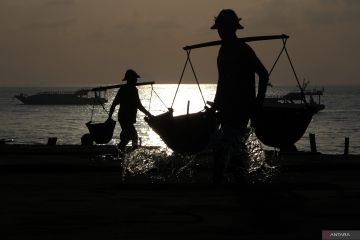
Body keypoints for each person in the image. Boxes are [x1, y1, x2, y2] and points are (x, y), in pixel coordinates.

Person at [210, 9, 269, 183]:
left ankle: (232, 177)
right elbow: (222, 81)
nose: (220, 32)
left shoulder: (243, 50)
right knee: (226, 142)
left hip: (242, 105)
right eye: (219, 28)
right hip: (225, 105)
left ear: (231, 29)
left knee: (231, 141)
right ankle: (227, 177)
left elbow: (263, 74)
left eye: (223, 28)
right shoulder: (223, 51)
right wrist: (215, 104)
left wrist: (258, 101)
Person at [108, 69, 153, 151]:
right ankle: (131, 153)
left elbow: (114, 104)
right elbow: (138, 105)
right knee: (134, 136)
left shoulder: (123, 89)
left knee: (127, 137)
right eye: (134, 78)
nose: (136, 80)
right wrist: (149, 114)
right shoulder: (131, 90)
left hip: (124, 117)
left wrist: (110, 116)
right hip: (126, 118)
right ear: (130, 79)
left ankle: (119, 152)